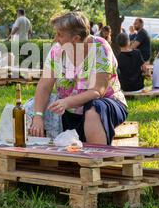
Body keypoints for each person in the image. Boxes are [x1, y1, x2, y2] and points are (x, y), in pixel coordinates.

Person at [27, 12, 127, 145]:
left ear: (75, 39)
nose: (55, 39)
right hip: (68, 108)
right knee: (27, 110)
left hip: (105, 103)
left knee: (93, 110)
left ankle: (95, 160)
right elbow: (44, 86)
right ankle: (33, 159)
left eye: (60, 35)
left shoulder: (100, 47)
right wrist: (38, 116)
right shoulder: (57, 50)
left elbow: (98, 91)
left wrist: (68, 102)